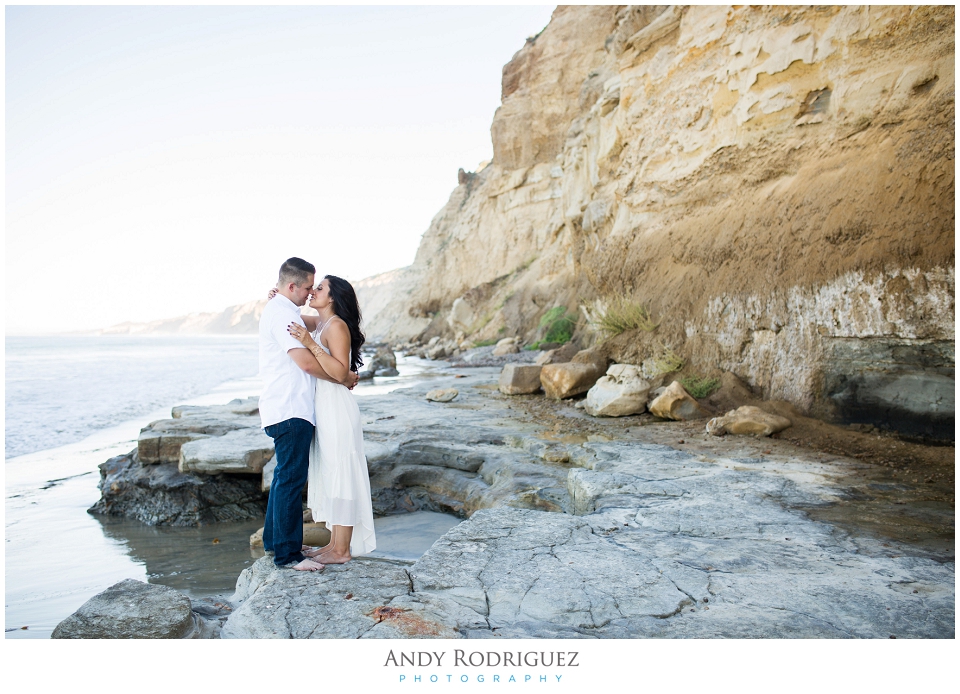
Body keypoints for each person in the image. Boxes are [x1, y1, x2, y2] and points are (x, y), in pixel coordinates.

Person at [258, 258, 358, 568]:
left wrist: (342, 376)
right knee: (290, 478)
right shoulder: (283, 314)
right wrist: (343, 377)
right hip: (290, 407)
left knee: (285, 477)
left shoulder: (289, 313)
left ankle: (277, 544)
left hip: (297, 407)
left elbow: (318, 330)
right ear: (292, 287)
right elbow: (304, 363)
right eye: (307, 287)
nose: (311, 291)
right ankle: (287, 555)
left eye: (318, 287)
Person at [285, 275, 377, 570]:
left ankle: (342, 550)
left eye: (320, 288)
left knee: (342, 474)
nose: (313, 292)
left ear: (334, 297)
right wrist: (278, 297)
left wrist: (309, 344)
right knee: (333, 472)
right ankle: (334, 544)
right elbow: (294, 313)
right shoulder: (321, 322)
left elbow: (339, 373)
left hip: (336, 408)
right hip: (324, 408)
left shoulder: (335, 326)